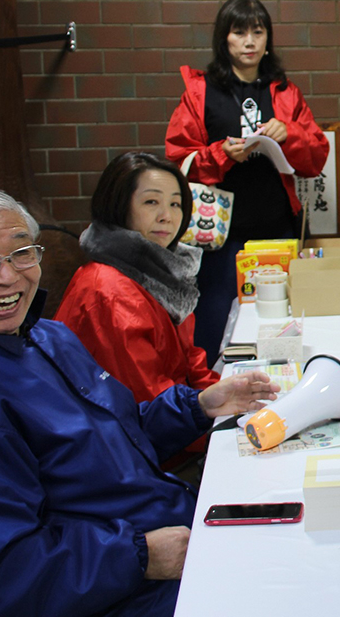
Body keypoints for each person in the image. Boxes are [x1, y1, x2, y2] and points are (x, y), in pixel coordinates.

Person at [0, 187, 279, 617]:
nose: (7, 276)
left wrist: (197, 405)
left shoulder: (46, 337)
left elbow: (114, 434)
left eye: (21, 253)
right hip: (121, 592)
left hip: (166, 530)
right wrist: (139, 557)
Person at [165, 0, 329, 362]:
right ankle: (212, 404)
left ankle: (280, 391)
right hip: (218, 237)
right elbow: (179, 161)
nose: (250, 41)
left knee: (278, 325)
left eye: (258, 31)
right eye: (240, 32)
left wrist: (291, 134)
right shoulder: (201, 91)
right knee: (214, 324)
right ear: (224, 39)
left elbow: (316, 158)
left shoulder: (285, 92)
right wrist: (221, 154)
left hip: (276, 229)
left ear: (268, 39)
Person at [55, 152, 218, 470]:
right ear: (119, 207)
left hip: (176, 432)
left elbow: (191, 364)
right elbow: (145, 404)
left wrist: (231, 404)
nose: (167, 217)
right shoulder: (110, 291)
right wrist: (218, 428)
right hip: (135, 460)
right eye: (150, 203)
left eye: (175, 204)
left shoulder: (164, 270)